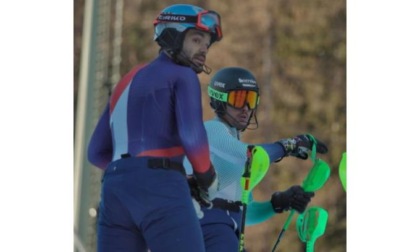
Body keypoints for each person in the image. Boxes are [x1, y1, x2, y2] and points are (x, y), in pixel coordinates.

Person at [87, 4, 223, 252]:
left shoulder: (126, 81)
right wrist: (207, 178)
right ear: (172, 35)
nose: (204, 48)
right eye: (196, 39)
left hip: (115, 190)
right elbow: (192, 136)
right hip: (162, 187)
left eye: (207, 44)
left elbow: (95, 152)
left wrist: (133, 172)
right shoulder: (183, 75)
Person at [183, 66, 329, 252]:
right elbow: (249, 155)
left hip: (227, 228)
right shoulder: (211, 130)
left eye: (250, 100)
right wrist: (289, 145)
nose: (245, 109)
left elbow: (247, 213)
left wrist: (278, 203)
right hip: (206, 225)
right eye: (238, 99)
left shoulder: (233, 152)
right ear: (219, 100)